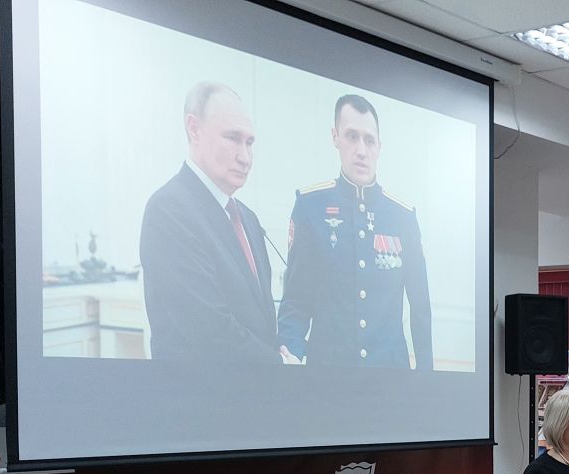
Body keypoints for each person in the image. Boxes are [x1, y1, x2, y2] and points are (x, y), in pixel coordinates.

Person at [278, 94, 432, 369]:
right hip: (328, 377)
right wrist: (290, 358)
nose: (361, 150)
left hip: (390, 378)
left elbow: (420, 306)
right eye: (352, 136)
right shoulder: (310, 207)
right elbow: (296, 301)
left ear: (379, 147)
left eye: (369, 140)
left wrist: (426, 375)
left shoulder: (402, 217)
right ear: (335, 137)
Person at [139, 82, 279, 362]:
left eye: (249, 143)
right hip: (197, 389)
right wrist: (280, 367)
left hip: (255, 386)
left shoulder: (248, 219)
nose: (245, 157)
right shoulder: (168, 210)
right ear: (194, 129)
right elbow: (208, 332)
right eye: (232, 138)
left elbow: (262, 320)